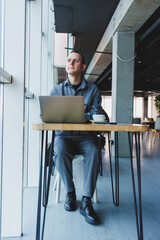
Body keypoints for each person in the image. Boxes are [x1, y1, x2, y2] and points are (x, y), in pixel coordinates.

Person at [50, 50, 103, 225]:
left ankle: (86, 201)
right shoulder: (56, 90)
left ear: (83, 66)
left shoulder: (93, 90)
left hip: (85, 138)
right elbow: (48, 115)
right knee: (58, 148)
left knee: (95, 150)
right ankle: (70, 193)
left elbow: (96, 113)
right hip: (64, 137)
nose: (71, 63)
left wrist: (83, 114)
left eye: (75, 61)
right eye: (68, 60)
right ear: (66, 65)